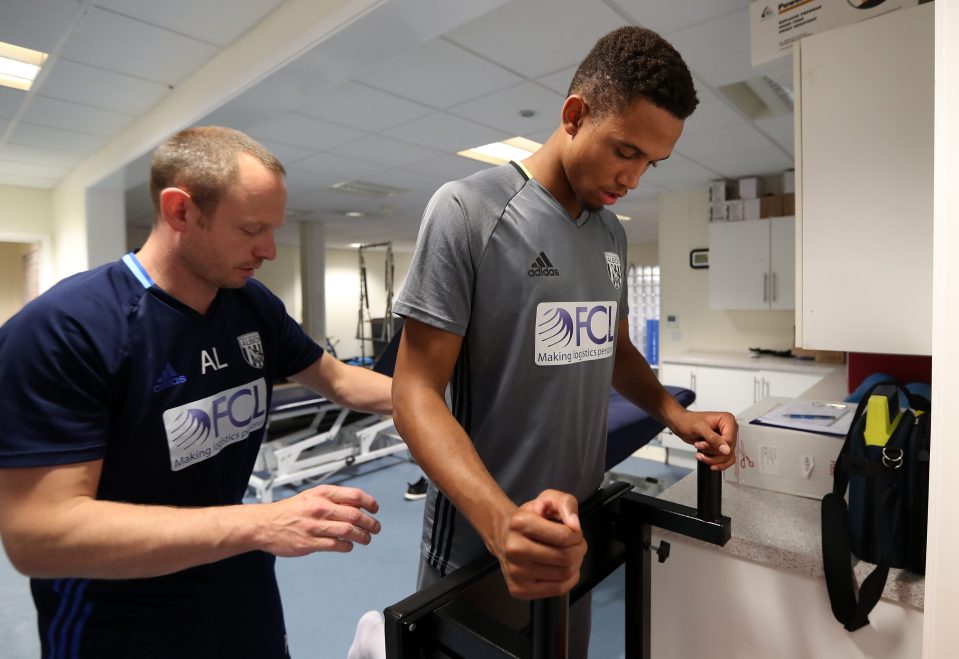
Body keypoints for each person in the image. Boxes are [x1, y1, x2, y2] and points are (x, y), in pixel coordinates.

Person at [390, 26, 738, 656]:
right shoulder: (469, 211)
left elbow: (616, 348)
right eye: (625, 151)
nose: (633, 179)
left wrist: (675, 415)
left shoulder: (610, 234)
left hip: (573, 530)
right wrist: (502, 526)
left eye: (651, 163)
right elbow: (413, 393)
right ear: (574, 115)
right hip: (482, 539)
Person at [0, 126, 392, 659]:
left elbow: (341, 380)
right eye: (252, 228)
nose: (270, 249)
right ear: (180, 211)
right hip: (120, 616)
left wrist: (445, 404)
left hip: (237, 584)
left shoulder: (251, 304)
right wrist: (263, 520)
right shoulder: (67, 329)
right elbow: (39, 535)